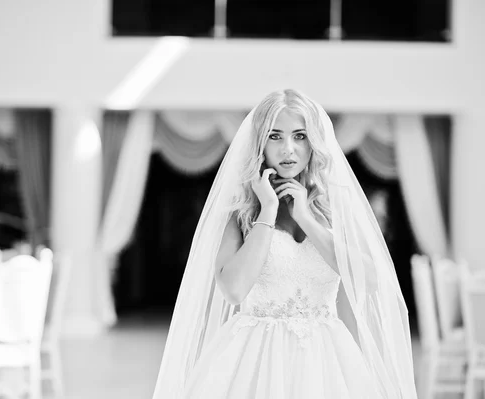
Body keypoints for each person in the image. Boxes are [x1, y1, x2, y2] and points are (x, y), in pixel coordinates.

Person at [152, 89, 418, 399]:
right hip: (254, 361)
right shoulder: (239, 213)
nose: (288, 149)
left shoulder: (335, 209)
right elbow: (234, 289)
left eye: (300, 136)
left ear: (313, 142)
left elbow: (369, 280)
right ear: (260, 144)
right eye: (275, 136)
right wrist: (267, 212)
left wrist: (306, 218)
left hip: (324, 361)